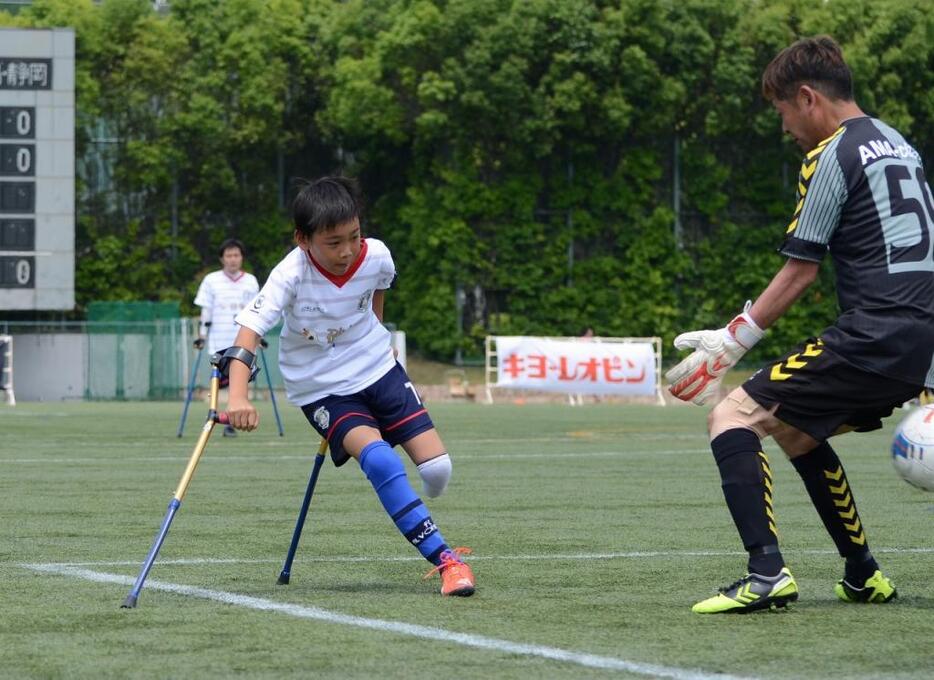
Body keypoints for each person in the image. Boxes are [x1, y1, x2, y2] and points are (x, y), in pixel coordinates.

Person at [666, 36, 934, 614]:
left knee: (730, 414)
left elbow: (799, 270)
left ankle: (765, 573)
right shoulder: (900, 145)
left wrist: (728, 343)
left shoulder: (831, 154)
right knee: (795, 429)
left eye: (782, 111)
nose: (784, 127)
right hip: (919, 337)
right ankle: (862, 572)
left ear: (808, 98)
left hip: (873, 334)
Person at [223, 176, 475, 596]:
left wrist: (377, 333)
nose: (346, 252)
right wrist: (237, 396)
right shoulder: (290, 273)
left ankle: (422, 502)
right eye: (333, 242)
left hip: (377, 366)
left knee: (438, 470)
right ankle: (448, 561)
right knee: (379, 461)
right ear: (303, 239)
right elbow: (248, 331)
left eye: (353, 237)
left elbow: (378, 288)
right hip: (320, 388)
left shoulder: (375, 255)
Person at [193, 238, 260, 437]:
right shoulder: (211, 280)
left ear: (242, 258)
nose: (233, 259)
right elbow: (206, 310)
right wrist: (201, 336)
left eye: (236, 255)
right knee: (219, 381)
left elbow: (257, 312)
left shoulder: (250, 281)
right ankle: (213, 415)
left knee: (237, 383)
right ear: (222, 259)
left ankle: (231, 422)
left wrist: (258, 337)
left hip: (242, 341)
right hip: (218, 341)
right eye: (229, 255)